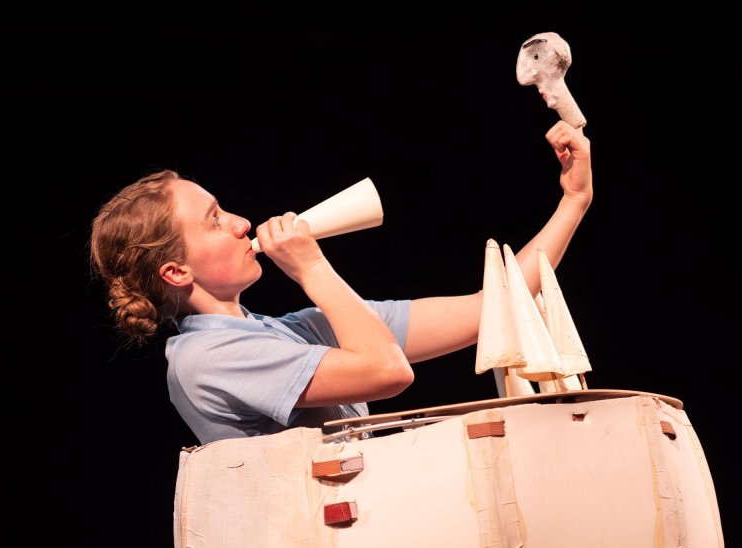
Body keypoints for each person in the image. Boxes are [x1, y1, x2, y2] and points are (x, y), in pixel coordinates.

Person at [89, 120, 592, 446]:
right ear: (177, 272)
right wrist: (311, 267)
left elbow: (491, 310)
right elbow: (387, 370)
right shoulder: (206, 359)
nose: (242, 222)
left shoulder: (297, 331)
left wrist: (574, 200)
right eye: (215, 220)